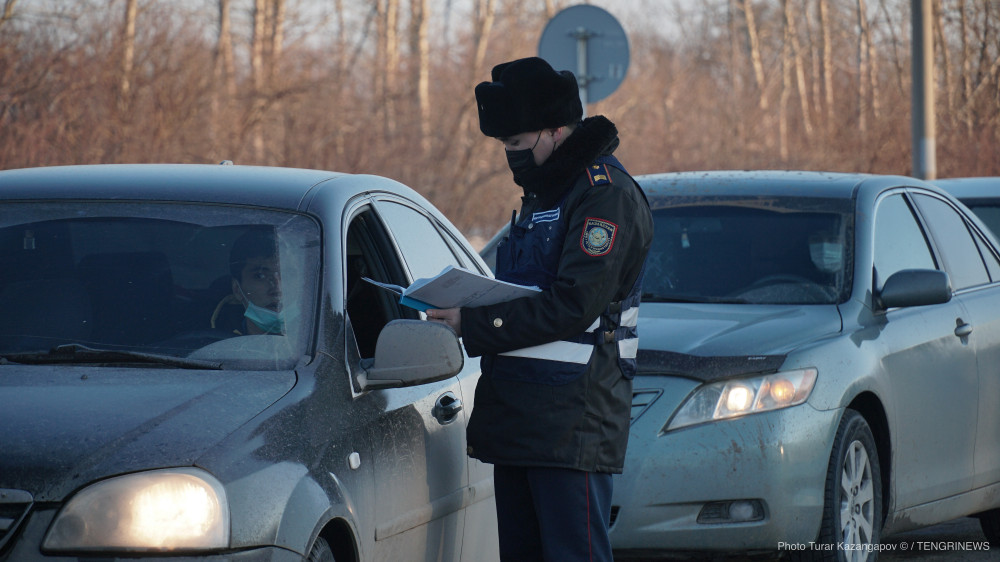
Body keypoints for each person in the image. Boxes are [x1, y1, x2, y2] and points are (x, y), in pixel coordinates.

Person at [426, 57, 653, 561]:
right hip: (522, 419)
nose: (511, 157)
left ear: (555, 130)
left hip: (574, 423)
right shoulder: (544, 193)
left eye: (517, 144)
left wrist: (473, 322)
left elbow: (576, 303)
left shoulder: (604, 195)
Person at [211, 227, 287, 335]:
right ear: (237, 289)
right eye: (260, 276)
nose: (277, 290)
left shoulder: (319, 337)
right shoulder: (211, 345)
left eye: (287, 275)